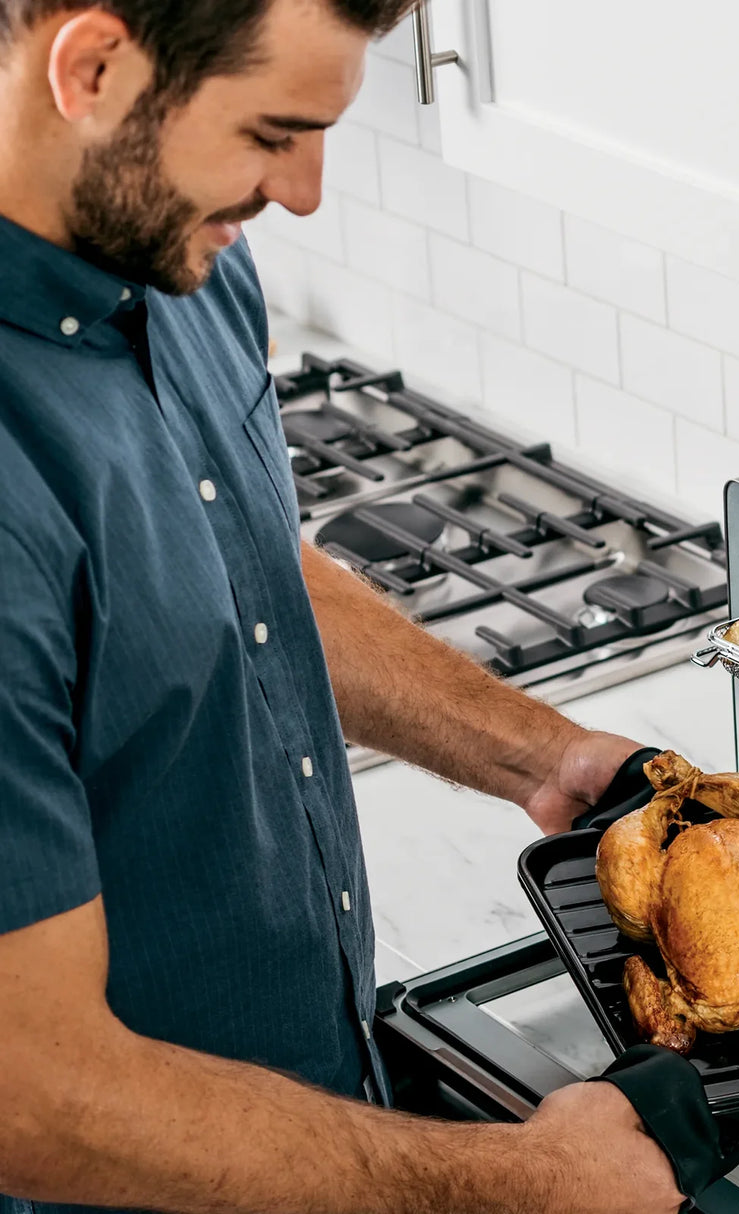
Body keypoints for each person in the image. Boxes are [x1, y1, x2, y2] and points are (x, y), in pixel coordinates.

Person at [0, 2, 687, 1211]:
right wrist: (520, 1183)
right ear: (94, 67)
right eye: (272, 133)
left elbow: (245, 567)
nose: (306, 193)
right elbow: (33, 1093)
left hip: (308, 1114)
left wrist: (541, 751)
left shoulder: (176, 254)